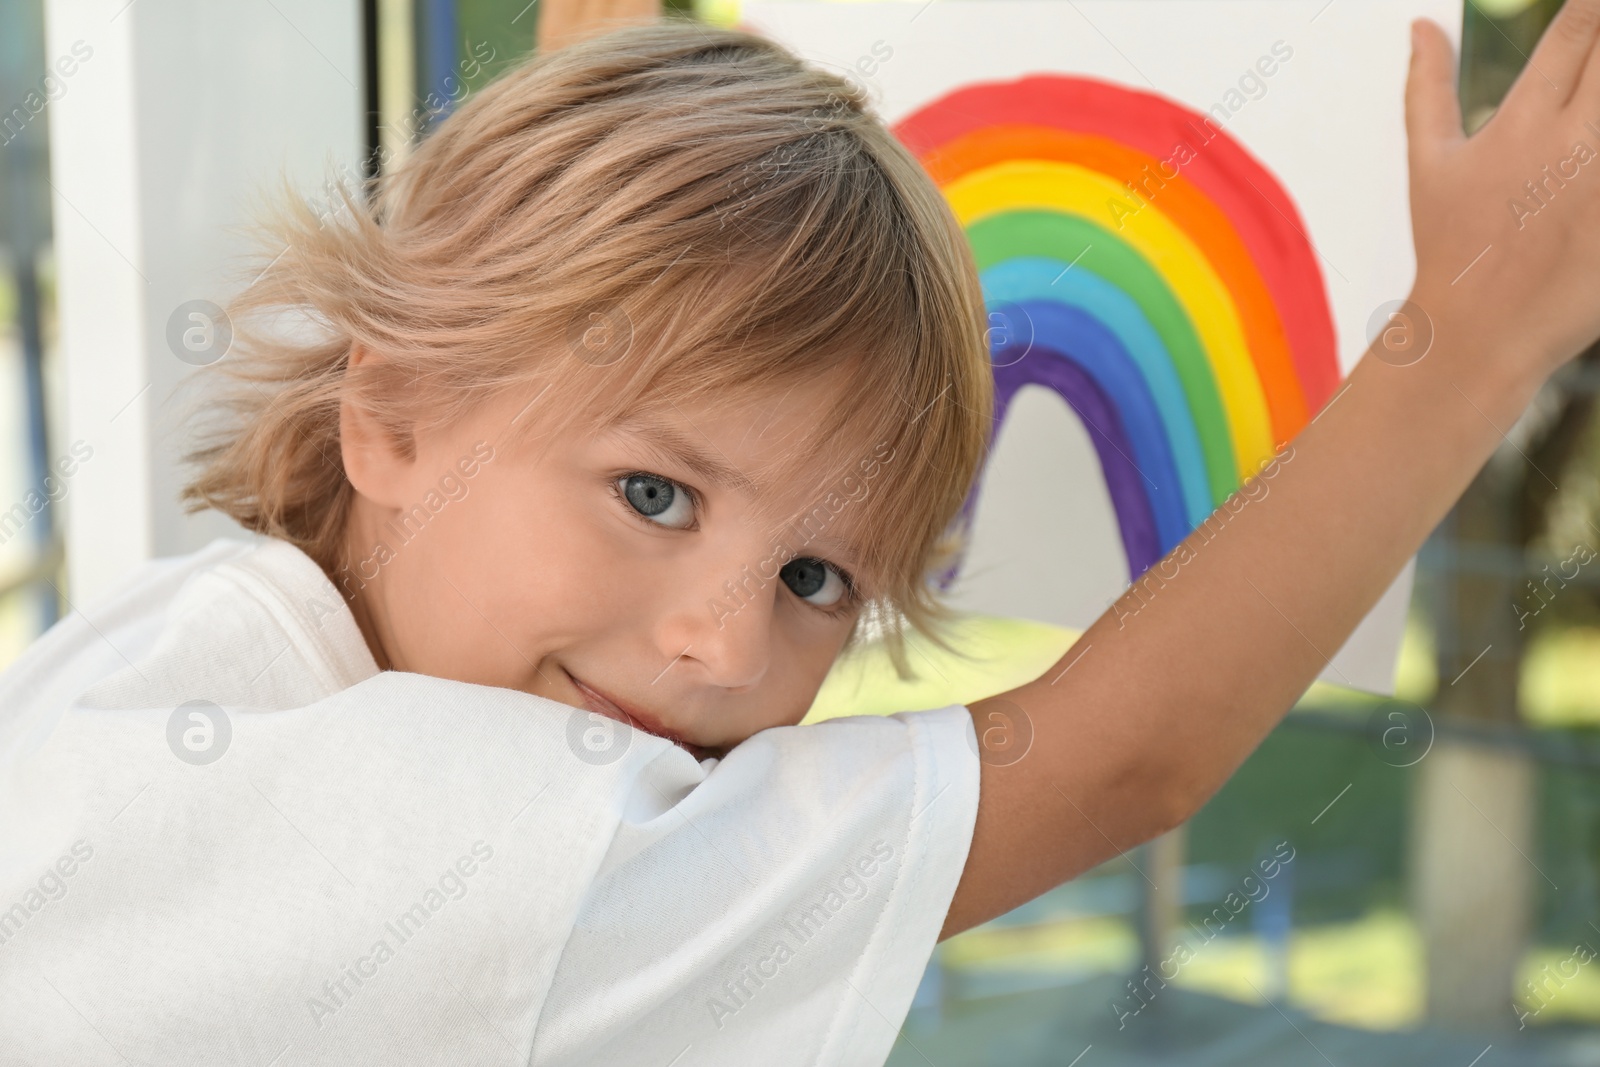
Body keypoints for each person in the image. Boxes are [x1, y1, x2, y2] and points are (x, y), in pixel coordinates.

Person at [1, 7, 1596, 1064]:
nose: (725, 643)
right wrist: (1472, 334)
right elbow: (1124, 766)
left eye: (817, 579)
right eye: (654, 496)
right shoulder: (477, 842)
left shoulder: (186, 654)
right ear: (393, 412)